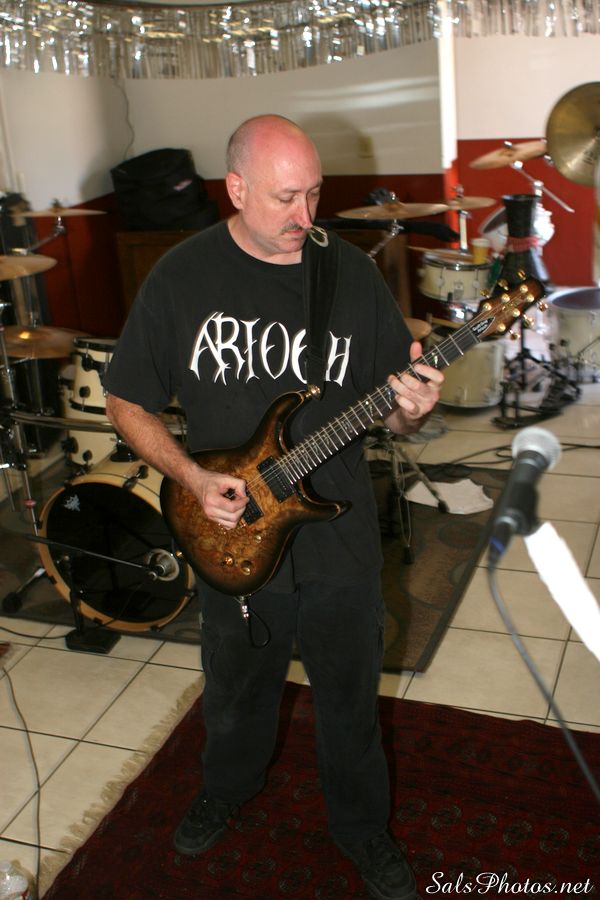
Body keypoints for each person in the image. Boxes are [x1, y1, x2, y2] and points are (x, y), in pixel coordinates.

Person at [104, 114, 443, 900]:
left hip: (337, 530)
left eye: (314, 193)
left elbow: (391, 411)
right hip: (227, 526)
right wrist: (192, 478)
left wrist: (410, 410)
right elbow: (126, 400)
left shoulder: (346, 273)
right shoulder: (182, 276)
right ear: (236, 188)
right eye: (285, 197)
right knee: (235, 686)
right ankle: (225, 788)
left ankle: (362, 828)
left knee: (350, 695)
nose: (305, 215)